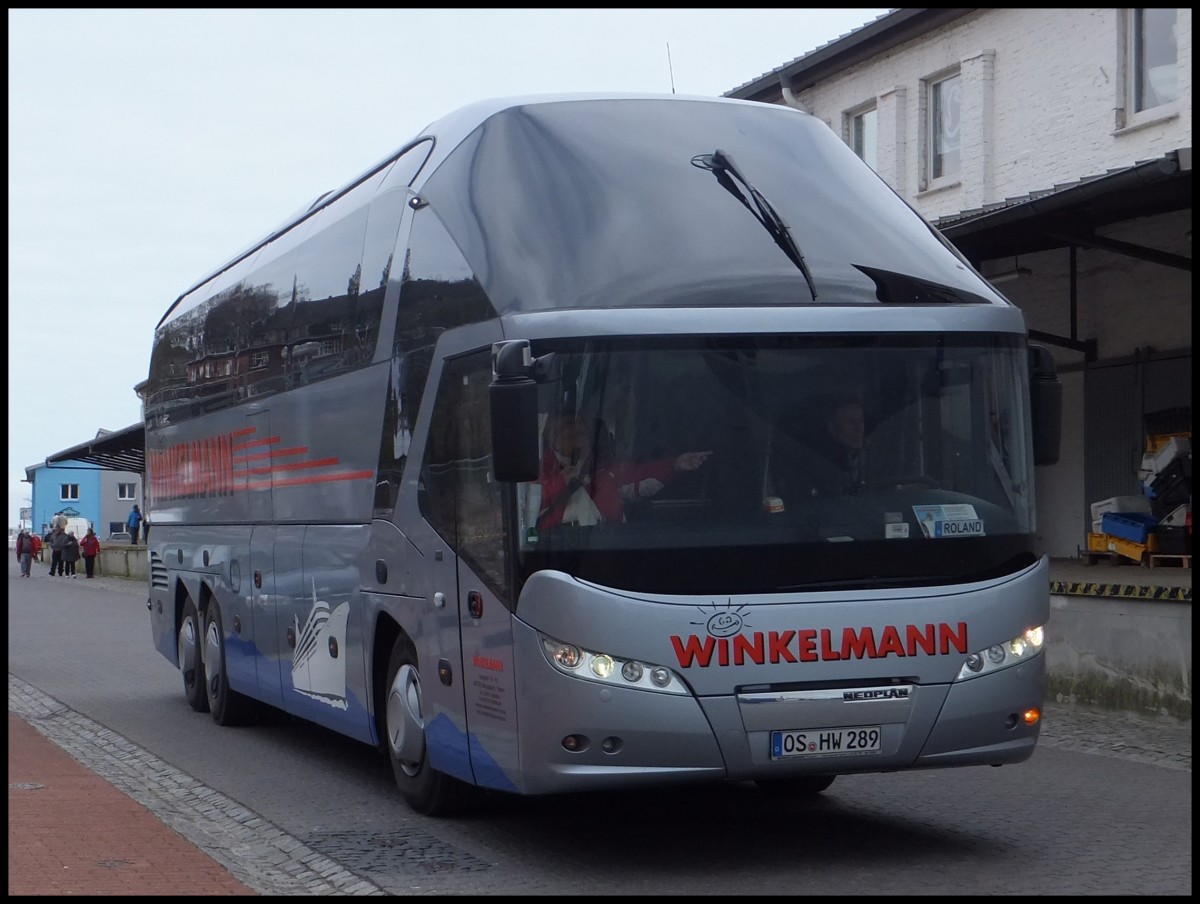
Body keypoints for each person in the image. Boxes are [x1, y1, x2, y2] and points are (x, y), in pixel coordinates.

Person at [536, 414, 713, 529]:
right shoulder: (537, 473)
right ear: (553, 441)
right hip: (557, 553)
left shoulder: (606, 469)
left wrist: (675, 464)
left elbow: (643, 475)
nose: (576, 432)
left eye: (581, 429)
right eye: (568, 431)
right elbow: (528, 508)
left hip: (608, 550)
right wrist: (561, 481)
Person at [776, 393, 867, 499]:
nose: (859, 428)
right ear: (832, 428)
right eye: (851, 422)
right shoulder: (815, 465)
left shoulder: (873, 455)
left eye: (861, 421)